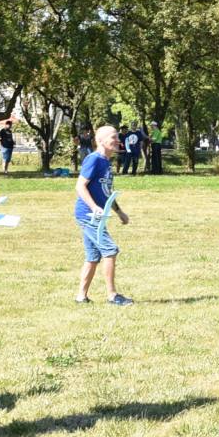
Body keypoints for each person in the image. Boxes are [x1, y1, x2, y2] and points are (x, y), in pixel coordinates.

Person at [75, 124, 132, 305]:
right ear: (100, 141)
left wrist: (119, 211)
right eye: (113, 137)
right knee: (110, 250)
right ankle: (112, 295)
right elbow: (80, 186)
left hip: (96, 215)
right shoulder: (94, 159)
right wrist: (93, 207)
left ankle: (81, 297)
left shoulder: (106, 162)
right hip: (88, 215)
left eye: (117, 137)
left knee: (92, 257)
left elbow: (106, 191)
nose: (117, 140)